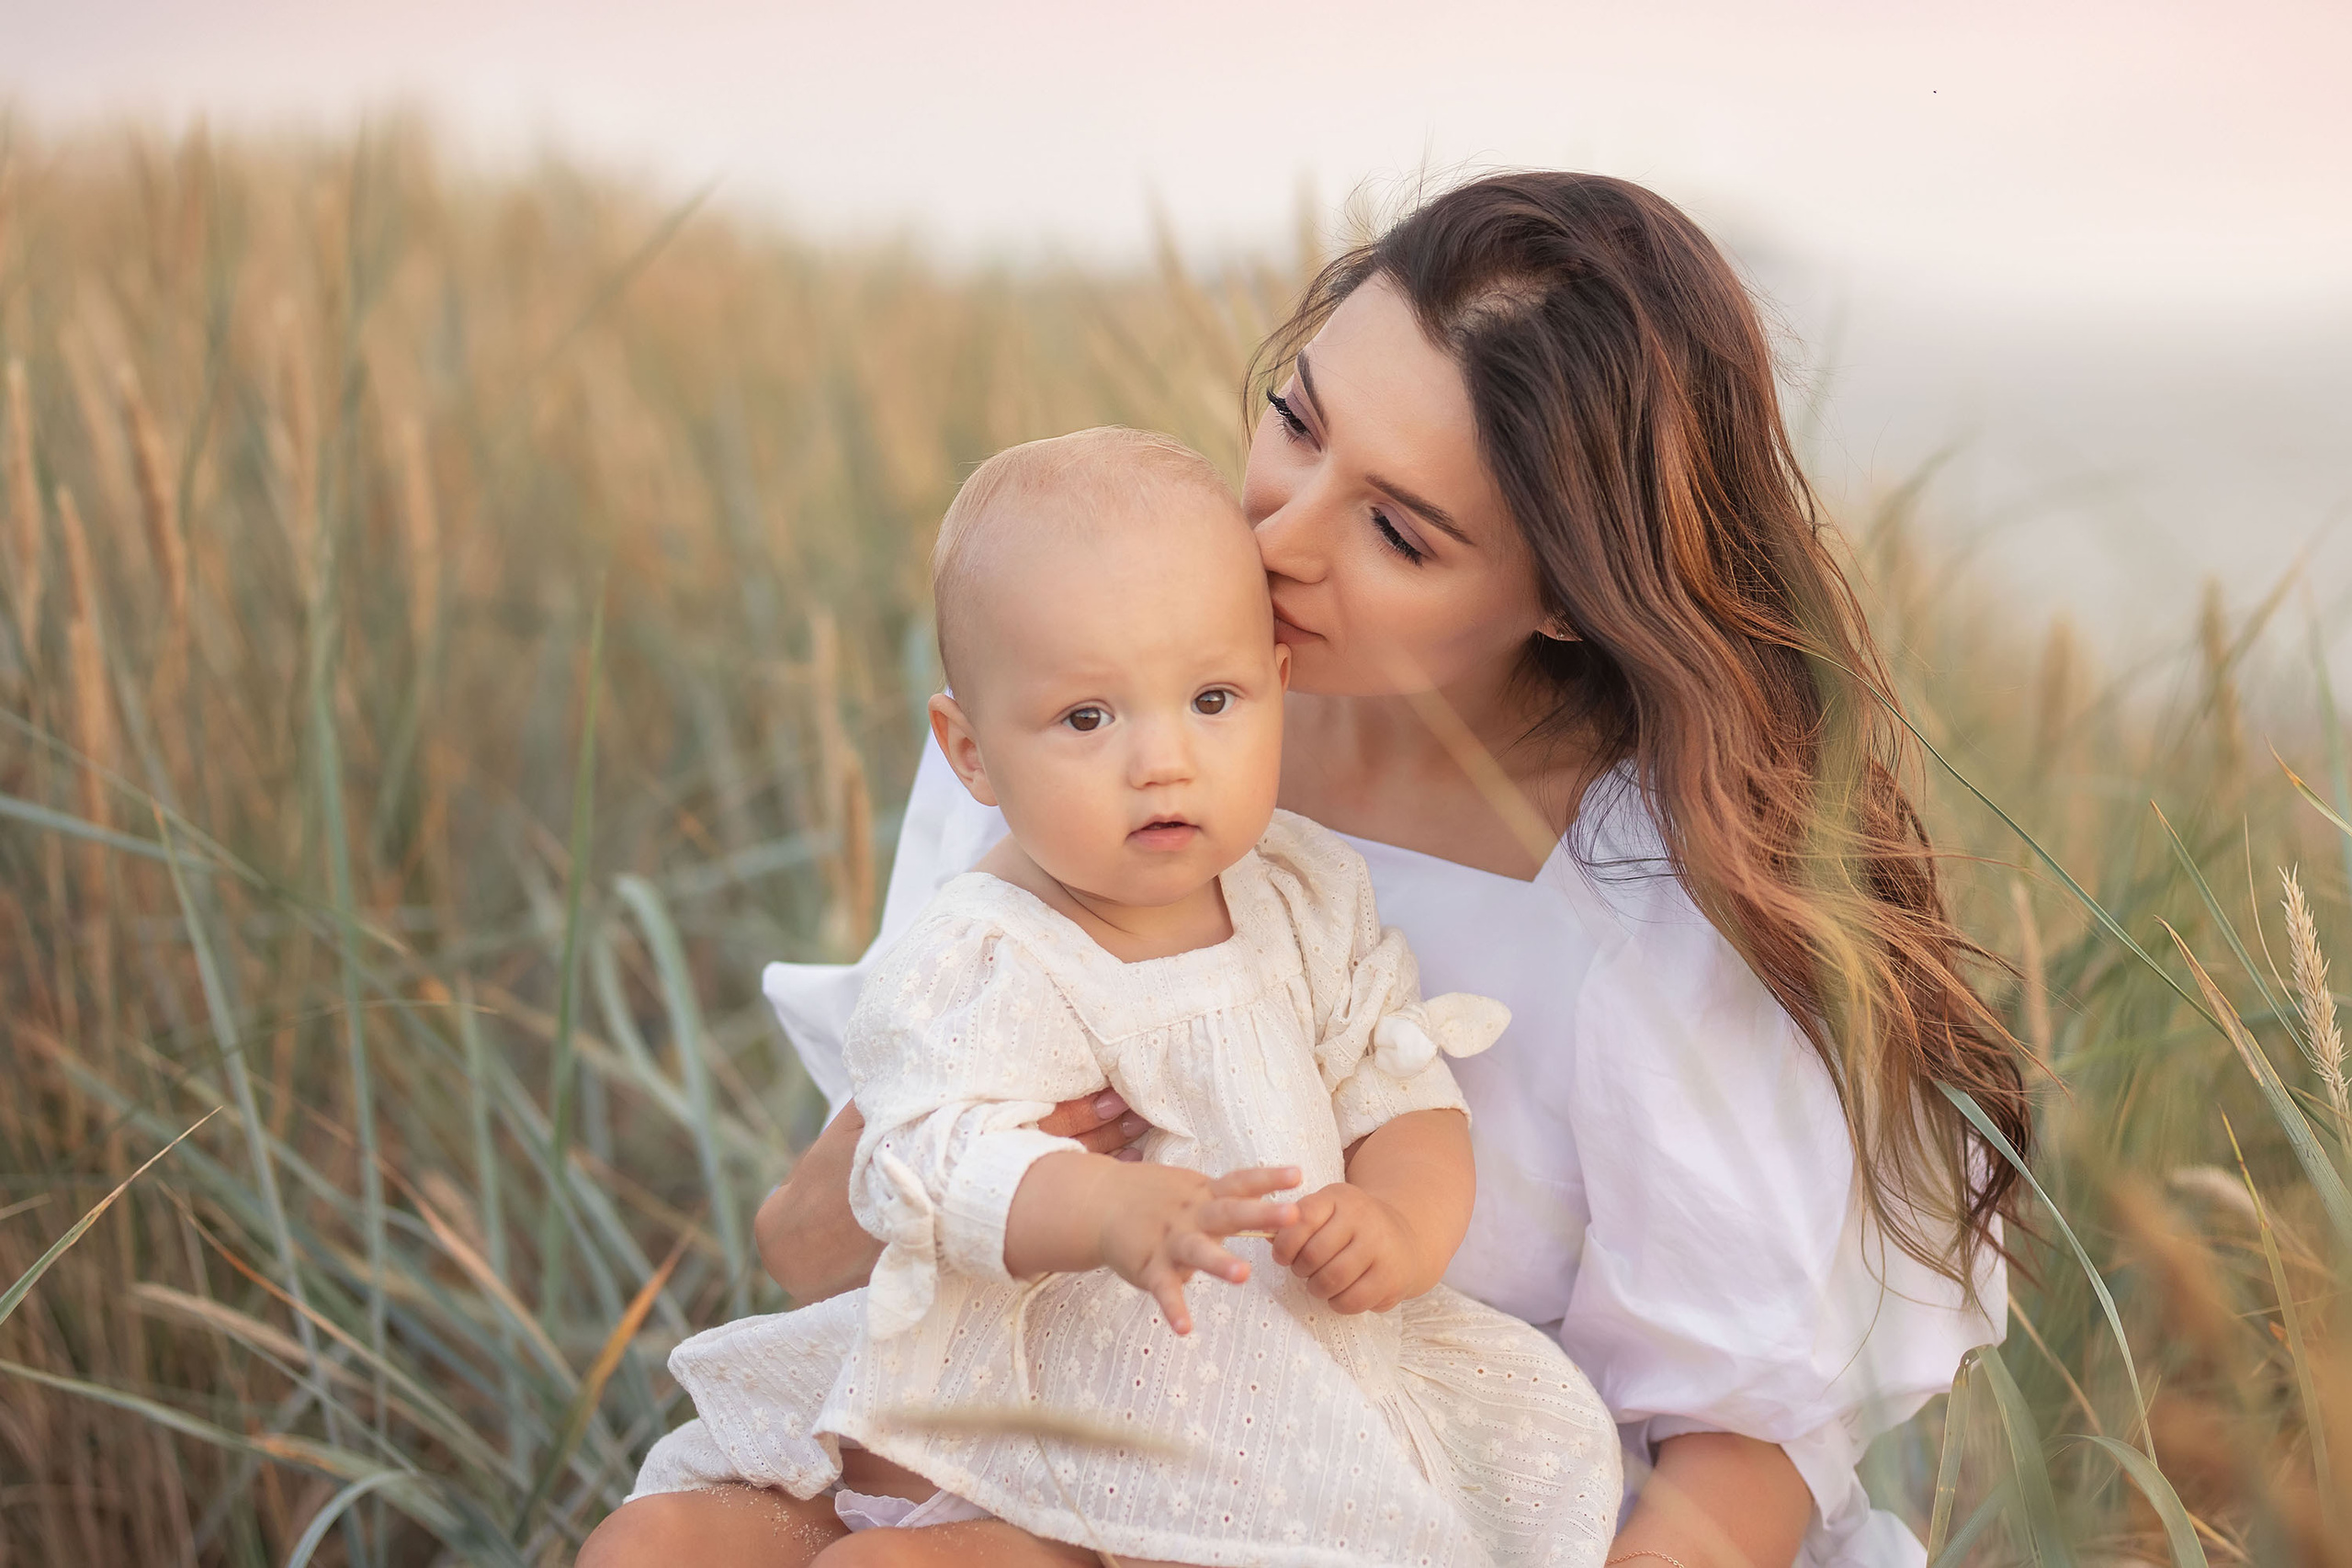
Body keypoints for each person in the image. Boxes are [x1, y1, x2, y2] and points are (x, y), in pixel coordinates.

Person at [609, 171, 2031, 1568]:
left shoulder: (1659, 916)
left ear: (1560, 594)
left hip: (1411, 1507)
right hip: (1024, 1410)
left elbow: (1738, 1472)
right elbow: (809, 1247)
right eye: (1298, 422)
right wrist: (1015, 1162)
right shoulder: (1093, 715)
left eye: (1397, 530)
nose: (1278, 537)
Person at [590, 426, 1623, 1567]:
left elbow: (1400, 1087)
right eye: (1089, 719)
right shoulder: (979, 947)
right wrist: (1105, 1207)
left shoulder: (1309, 900)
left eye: (1213, 700)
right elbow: (924, 1157)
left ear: (1277, 689)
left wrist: (1395, 1224)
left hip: (1213, 1434)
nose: (1163, 762)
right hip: (963, 1415)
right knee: (648, 1545)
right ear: (969, 753)